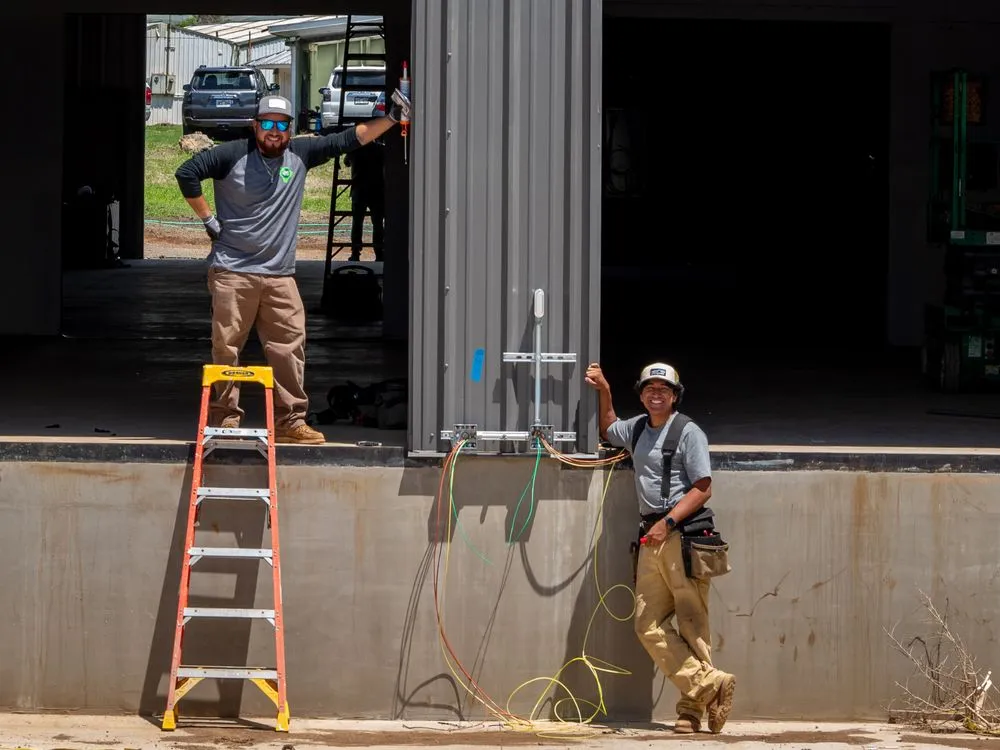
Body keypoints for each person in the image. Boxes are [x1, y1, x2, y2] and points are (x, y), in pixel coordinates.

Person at [175, 94, 409, 443]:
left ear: (290, 129)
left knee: (290, 347)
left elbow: (350, 138)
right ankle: (226, 417)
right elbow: (187, 172)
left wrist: (391, 118)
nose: (273, 131)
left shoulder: (300, 154)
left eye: (281, 124)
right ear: (255, 126)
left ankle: (291, 421)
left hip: (279, 275)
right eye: (266, 123)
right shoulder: (231, 155)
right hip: (233, 271)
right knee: (227, 347)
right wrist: (209, 219)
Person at [585, 361, 736, 734]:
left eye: (664, 390)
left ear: (674, 397)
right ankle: (709, 685)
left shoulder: (689, 432)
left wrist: (666, 523)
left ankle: (690, 712)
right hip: (652, 536)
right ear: (641, 393)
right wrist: (604, 389)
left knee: (691, 624)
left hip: (683, 535)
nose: (656, 395)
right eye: (650, 388)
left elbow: (703, 487)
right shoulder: (635, 427)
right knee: (646, 623)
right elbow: (608, 428)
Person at [343, 139, 385, 262]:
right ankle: (379, 252)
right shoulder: (380, 149)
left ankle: (356, 252)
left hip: (359, 191)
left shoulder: (354, 149)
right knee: (378, 224)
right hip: (376, 191)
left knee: (357, 223)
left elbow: (346, 162)